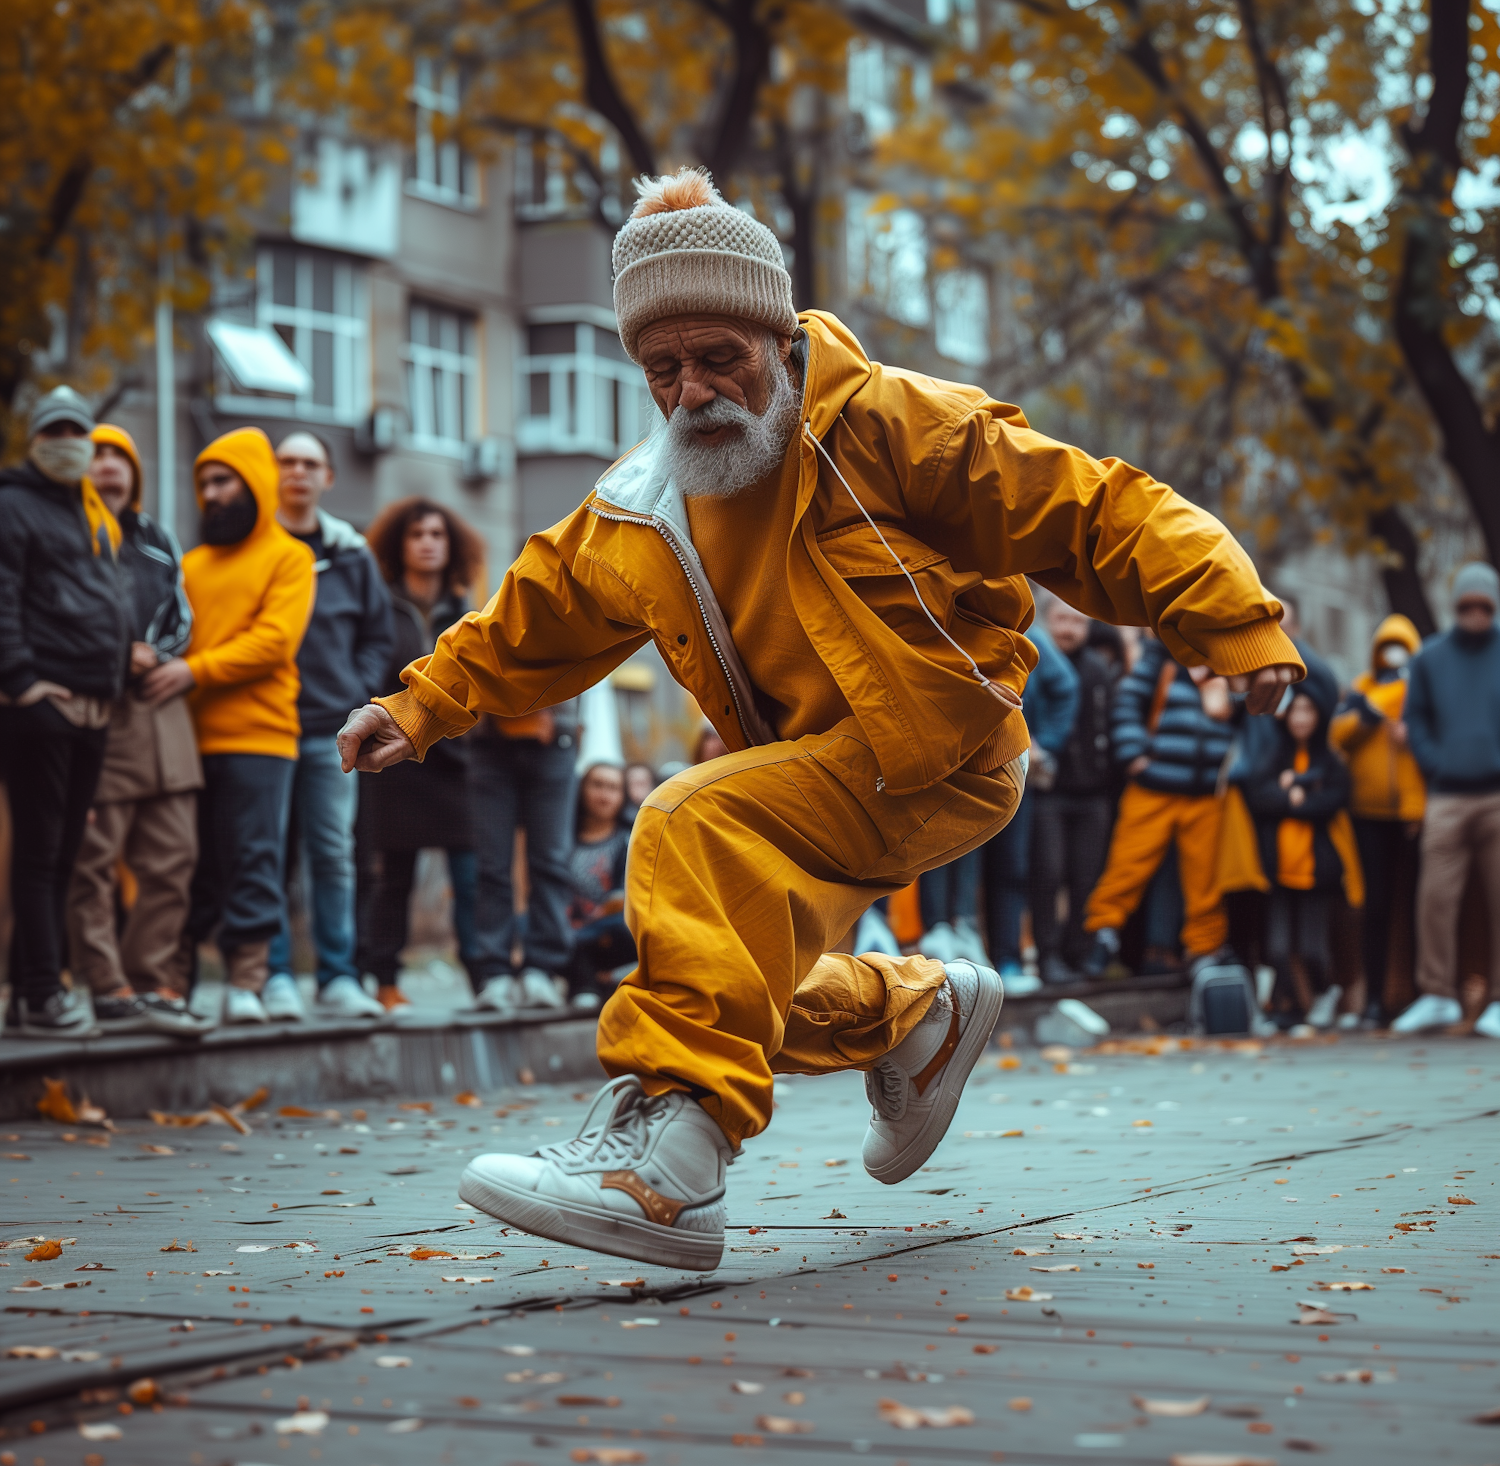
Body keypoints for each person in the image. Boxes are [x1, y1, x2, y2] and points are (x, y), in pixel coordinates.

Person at [337, 166, 1302, 1271]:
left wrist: (1233, 618)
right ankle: (914, 1013)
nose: (695, 392)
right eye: (664, 369)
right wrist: (420, 702)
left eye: (720, 360)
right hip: (816, 770)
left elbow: (1091, 507)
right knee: (708, 965)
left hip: (945, 750)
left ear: (780, 340)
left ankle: (669, 1173)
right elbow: (535, 616)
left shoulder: (888, 426)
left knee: (687, 825)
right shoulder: (641, 509)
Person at [161, 429, 315, 1024]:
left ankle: (247, 984)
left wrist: (189, 673)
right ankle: (172, 986)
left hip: (259, 738)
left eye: (223, 481)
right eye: (203, 484)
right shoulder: (190, 564)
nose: (211, 494)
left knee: (254, 861)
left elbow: (274, 644)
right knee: (184, 866)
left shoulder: (289, 556)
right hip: (187, 740)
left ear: (254, 482)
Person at [65, 423, 209, 1035]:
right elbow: (53, 612)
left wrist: (157, 654)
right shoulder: (65, 532)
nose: (109, 466)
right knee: (93, 860)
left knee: (174, 857)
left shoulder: (157, 538)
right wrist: (114, 654)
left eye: (120, 456)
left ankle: (153, 981)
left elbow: (181, 614)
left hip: (163, 712)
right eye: (97, 455)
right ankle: (106, 985)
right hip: (98, 709)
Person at [0, 387, 128, 1035]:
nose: (70, 439)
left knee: (65, 852)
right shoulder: (13, 505)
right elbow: (3, 596)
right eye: (57, 429)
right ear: (35, 440)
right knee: (40, 852)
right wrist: (20, 681)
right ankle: (43, 992)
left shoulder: (87, 511)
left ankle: (31, 993)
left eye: (80, 428)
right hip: (42, 706)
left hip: (93, 709)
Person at [261, 433, 394, 1022]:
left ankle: (338, 976)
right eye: (286, 462)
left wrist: (350, 695)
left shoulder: (350, 553)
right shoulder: (252, 546)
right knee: (266, 856)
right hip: (259, 729)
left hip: (327, 731)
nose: (296, 472)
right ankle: (273, 975)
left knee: (333, 855)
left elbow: (377, 637)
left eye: (309, 463)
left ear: (328, 477)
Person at [357, 499, 482, 1009]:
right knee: (394, 878)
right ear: (399, 545)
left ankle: (484, 977)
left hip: (459, 761)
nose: (428, 542)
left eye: (437, 533)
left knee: (471, 877)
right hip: (393, 761)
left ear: (451, 546)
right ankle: (385, 981)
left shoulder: (468, 610)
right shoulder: (380, 605)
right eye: (416, 534)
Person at [1082, 632, 1236, 976]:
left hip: (1208, 793)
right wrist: (1134, 754)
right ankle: (1101, 937)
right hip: (1154, 788)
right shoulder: (1160, 656)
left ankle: (1205, 952)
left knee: (1206, 881)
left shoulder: (1227, 661)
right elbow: (1126, 702)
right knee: (1127, 866)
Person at [1401, 563, 1500, 1038]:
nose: (1476, 613)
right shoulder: (1430, 658)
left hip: (1497, 796)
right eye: (1468, 605)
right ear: (1456, 606)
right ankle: (1437, 995)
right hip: (1445, 796)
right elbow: (1414, 718)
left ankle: (1498, 1002)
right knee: (1435, 898)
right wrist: (1434, 761)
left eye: (1485, 605)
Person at [1329, 615, 1425, 1027]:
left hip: (1412, 814)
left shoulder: (1423, 689)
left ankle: (1418, 995)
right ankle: (1371, 999)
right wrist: (1371, 712)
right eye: (1387, 646)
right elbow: (1337, 736)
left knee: (1420, 907)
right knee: (1375, 906)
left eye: (1401, 646)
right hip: (1366, 814)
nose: (1394, 654)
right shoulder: (1361, 690)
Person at [1242, 674, 1352, 1028]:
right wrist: (1296, 796)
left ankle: (1322, 996)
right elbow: (1259, 795)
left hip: (1317, 869)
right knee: (1276, 947)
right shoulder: (1274, 753)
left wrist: (1295, 792)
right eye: (1295, 710)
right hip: (1277, 865)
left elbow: (1333, 800)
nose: (1301, 718)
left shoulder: (1329, 760)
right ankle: (1285, 1009)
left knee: (1312, 948)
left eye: (1308, 710)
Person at [468, 695, 582, 1016]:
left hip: (556, 738)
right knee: (491, 864)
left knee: (551, 860)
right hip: (486, 739)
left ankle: (542, 969)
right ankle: (495, 973)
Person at [982, 618, 1078, 990]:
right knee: (965, 867)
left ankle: (1005, 959)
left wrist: (1043, 744)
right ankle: (970, 959)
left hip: (1010, 768)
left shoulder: (1028, 634)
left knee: (1011, 866)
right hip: (970, 768)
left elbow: (1066, 686)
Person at [1029, 597, 1115, 984]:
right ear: (1047, 621)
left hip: (1094, 793)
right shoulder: (1034, 664)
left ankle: (1078, 954)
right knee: (1047, 874)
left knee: (1087, 878)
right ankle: (1047, 956)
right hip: (1047, 791)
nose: (1069, 629)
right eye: (1062, 619)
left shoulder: (1099, 669)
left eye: (1078, 621)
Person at [564, 762, 638, 1008]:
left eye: (613, 787)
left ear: (622, 795)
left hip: (613, 932)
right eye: (597, 785)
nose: (604, 794)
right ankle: (595, 983)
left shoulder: (630, 839)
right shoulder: (562, 840)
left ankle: (592, 983)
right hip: (568, 931)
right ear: (581, 788)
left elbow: (623, 900)